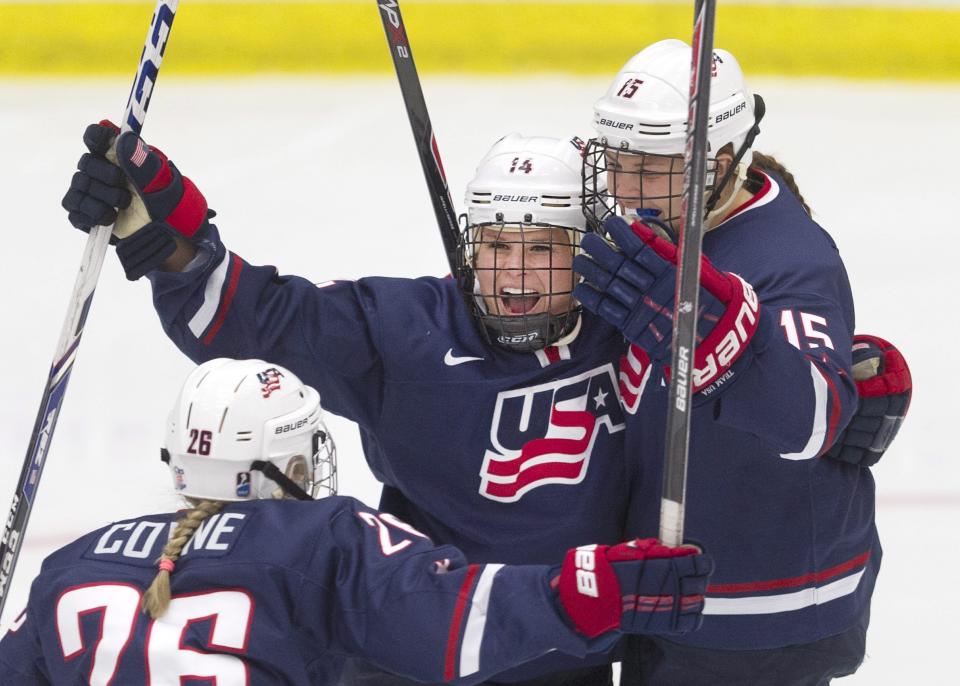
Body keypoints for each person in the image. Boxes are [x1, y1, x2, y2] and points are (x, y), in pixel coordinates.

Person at [60, 130, 638, 685]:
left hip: (566, 650)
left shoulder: (633, 323)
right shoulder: (408, 328)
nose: (514, 272)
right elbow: (260, 321)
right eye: (495, 244)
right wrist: (166, 237)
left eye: (542, 247)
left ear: (587, 246)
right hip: (414, 656)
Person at [0, 358, 713, 685]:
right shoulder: (321, 539)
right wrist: (579, 592)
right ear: (286, 462)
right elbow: (447, 619)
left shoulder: (74, 563)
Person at [573, 39, 902, 684]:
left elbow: (812, 418)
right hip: (665, 589)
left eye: (651, 167)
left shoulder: (787, 253)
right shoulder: (645, 237)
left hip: (761, 611)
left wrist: (714, 336)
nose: (623, 186)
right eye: (617, 160)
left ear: (717, 162)